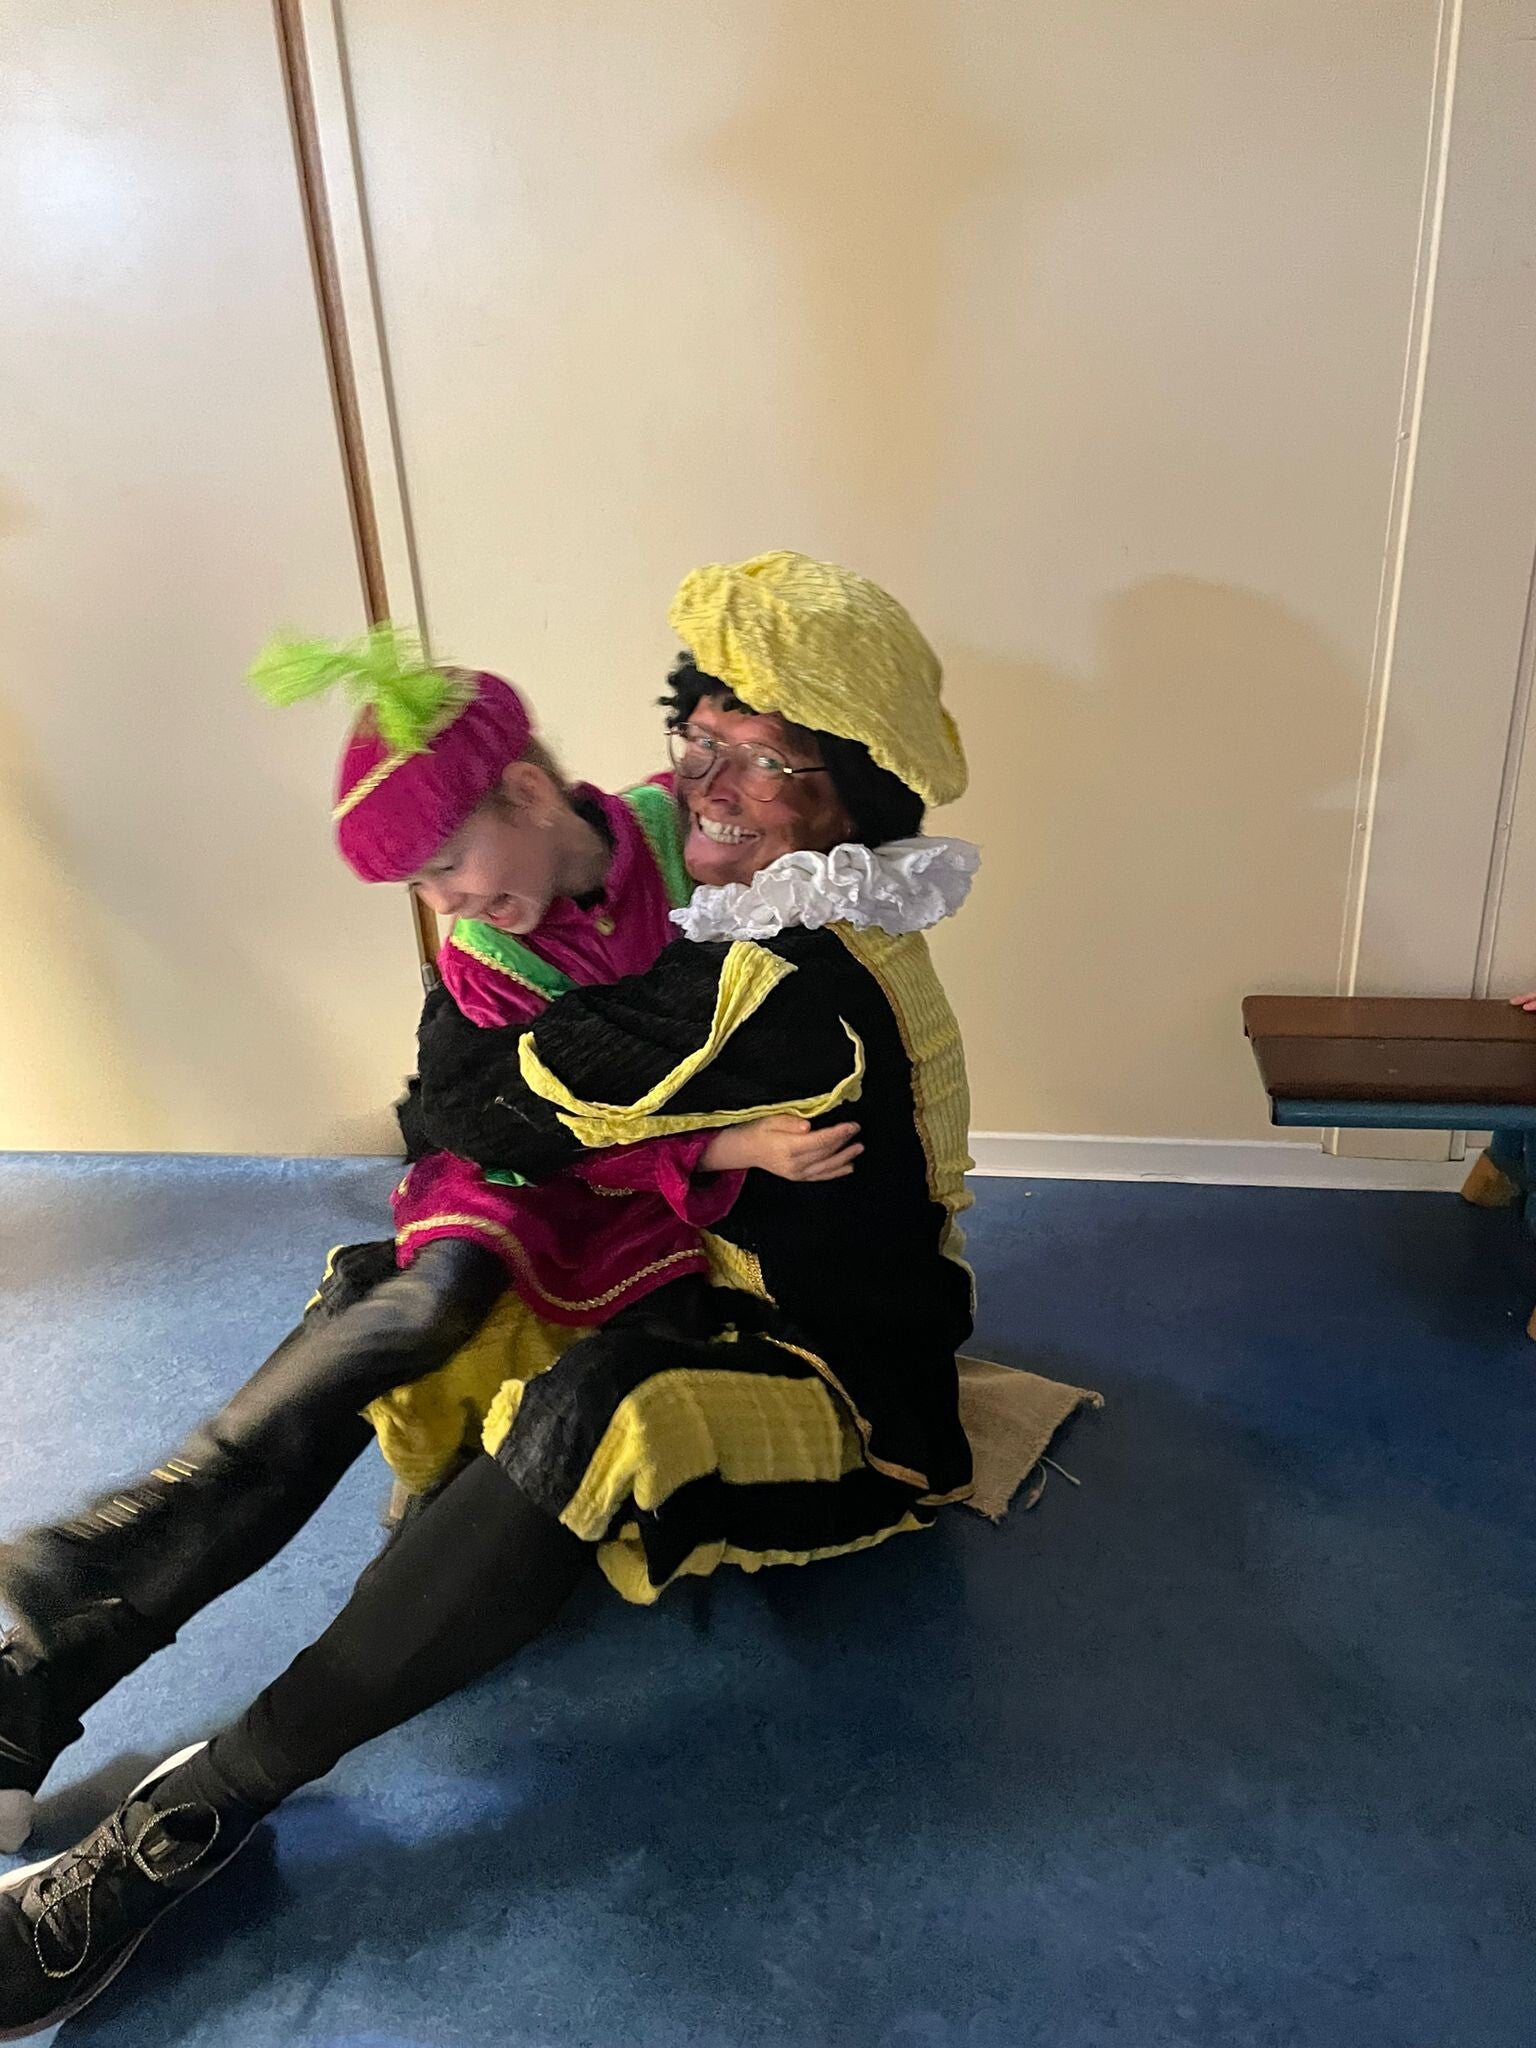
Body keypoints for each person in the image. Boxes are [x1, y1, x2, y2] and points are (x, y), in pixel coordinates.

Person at [0, 551, 981, 2038]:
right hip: (687, 1261)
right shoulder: (694, 881)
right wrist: (510, 1086)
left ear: (853, 791)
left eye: (765, 763)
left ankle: (189, 1819)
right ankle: (55, 1659)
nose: (712, 788)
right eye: (703, 740)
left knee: (600, 1409)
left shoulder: (804, 969)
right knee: (384, 1290)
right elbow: (451, 1105)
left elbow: (493, 1097)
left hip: (842, 1375)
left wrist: (505, 1090)